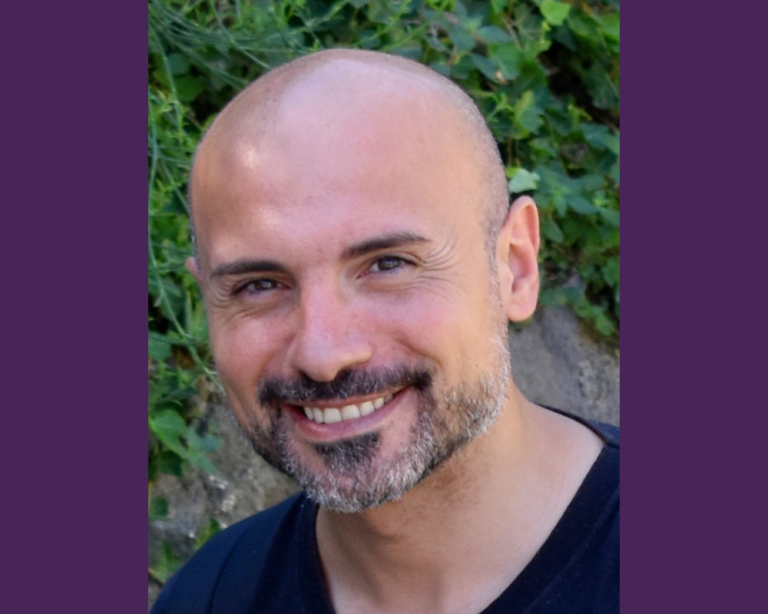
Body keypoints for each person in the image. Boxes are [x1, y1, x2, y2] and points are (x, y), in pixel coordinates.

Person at [151, 48, 619, 614]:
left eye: (388, 265)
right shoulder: (208, 599)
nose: (323, 354)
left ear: (514, 266)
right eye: (259, 285)